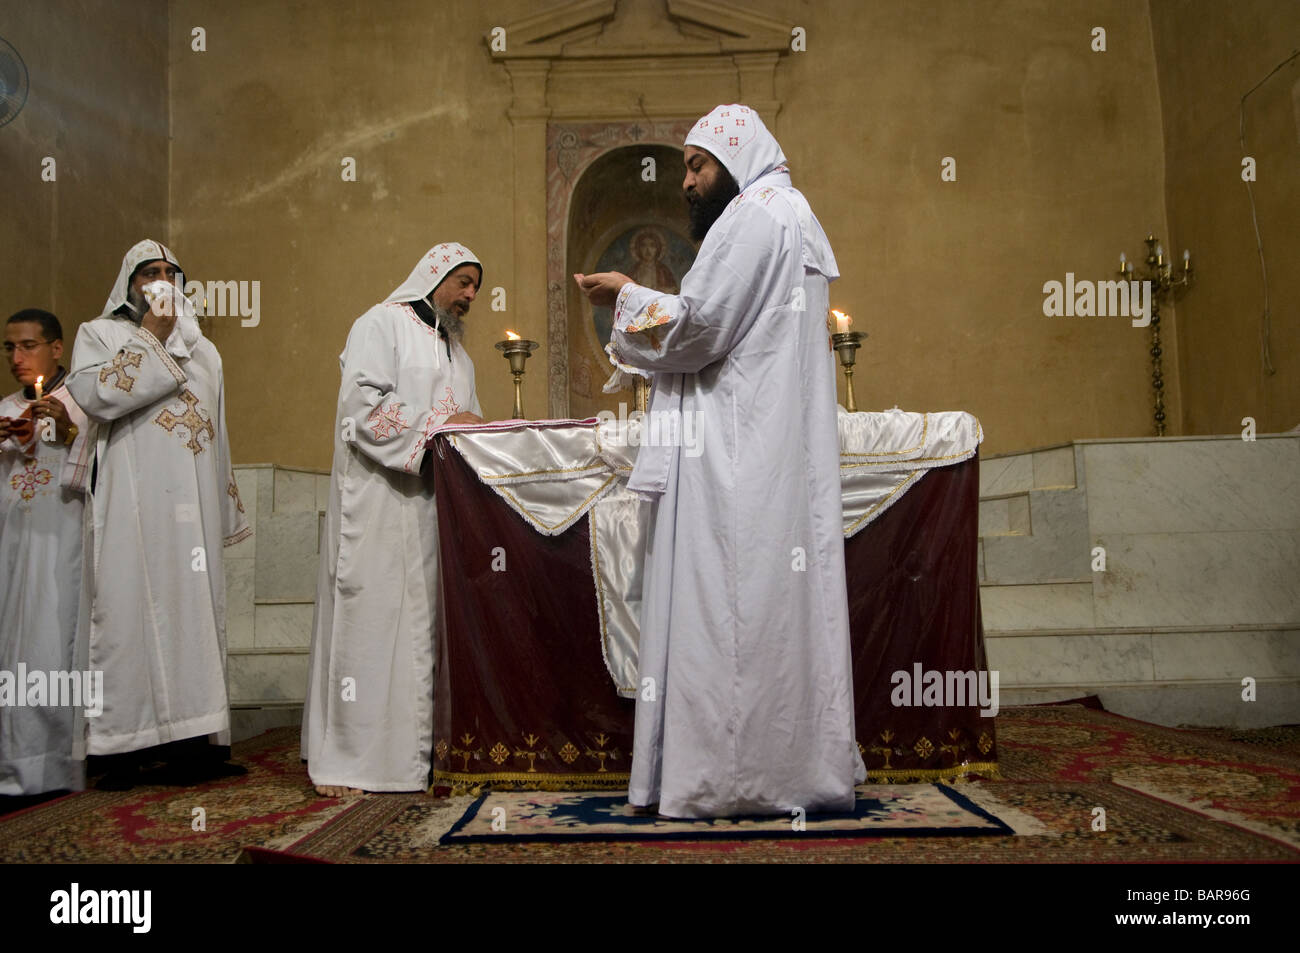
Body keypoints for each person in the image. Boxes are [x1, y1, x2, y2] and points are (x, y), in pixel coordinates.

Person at [574, 104, 864, 818]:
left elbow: (698, 327)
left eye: (698, 166)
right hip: (768, 453)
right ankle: (787, 764)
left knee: (727, 609)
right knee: (773, 609)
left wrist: (625, 294)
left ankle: (728, 777)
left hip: (733, 458)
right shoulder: (789, 215)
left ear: (735, 161)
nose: (687, 183)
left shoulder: (756, 217)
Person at [66, 239, 249, 790]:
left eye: (171, 271)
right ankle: (122, 748)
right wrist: (155, 334)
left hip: (191, 507)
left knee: (195, 615)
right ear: (130, 285)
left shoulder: (208, 352)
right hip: (133, 501)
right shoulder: (100, 334)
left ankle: (196, 745)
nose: (163, 279)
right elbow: (95, 396)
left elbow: (215, 430)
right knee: (127, 614)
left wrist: (222, 503)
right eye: (150, 272)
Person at [303, 243, 485, 797]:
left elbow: (466, 428)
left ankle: (416, 754)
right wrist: (440, 424)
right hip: (379, 501)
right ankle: (354, 760)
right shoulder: (378, 324)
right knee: (374, 621)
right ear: (433, 275)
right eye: (464, 282)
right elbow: (360, 410)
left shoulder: (462, 355)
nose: (471, 295)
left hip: (431, 507)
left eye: (477, 286)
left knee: (423, 626)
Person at [0, 309, 89, 796]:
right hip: (13, 553)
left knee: (51, 648)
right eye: (10, 347)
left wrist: (69, 431)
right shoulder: (5, 407)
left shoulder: (80, 402)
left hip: (63, 548)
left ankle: (57, 766)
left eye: (28, 346)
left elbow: (101, 465)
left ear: (57, 348)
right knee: (12, 654)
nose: (17, 357)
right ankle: (13, 767)